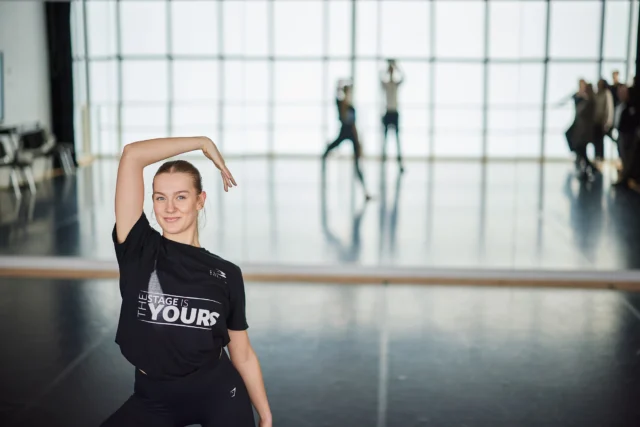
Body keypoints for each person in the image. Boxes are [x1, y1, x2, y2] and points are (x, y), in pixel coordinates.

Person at [101, 136, 272, 427]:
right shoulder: (138, 247)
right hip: (152, 397)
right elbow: (132, 155)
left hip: (217, 391)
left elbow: (241, 355)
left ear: (199, 200)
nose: (169, 208)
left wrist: (266, 416)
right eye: (160, 197)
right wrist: (202, 143)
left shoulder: (227, 273)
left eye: (180, 196)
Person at [322, 79, 372, 200]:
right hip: (344, 132)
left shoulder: (351, 106)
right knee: (329, 149)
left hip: (351, 133)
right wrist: (341, 83)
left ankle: (365, 191)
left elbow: (354, 124)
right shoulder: (340, 103)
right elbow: (336, 92)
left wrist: (358, 141)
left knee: (357, 164)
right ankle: (323, 175)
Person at [380, 59, 405, 172]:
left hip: (394, 113)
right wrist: (387, 68)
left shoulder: (395, 84)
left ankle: (400, 163)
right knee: (385, 139)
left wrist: (396, 66)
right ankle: (383, 162)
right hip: (388, 113)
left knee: (396, 139)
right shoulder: (386, 85)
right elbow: (380, 78)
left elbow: (403, 77)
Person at [572, 84, 597, 180]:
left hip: (585, 130)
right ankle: (589, 168)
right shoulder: (586, 101)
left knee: (582, 150)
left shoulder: (590, 102)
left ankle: (589, 168)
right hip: (582, 129)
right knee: (582, 151)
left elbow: (582, 113)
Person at [593, 78, 614, 164]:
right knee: (596, 140)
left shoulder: (606, 93)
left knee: (601, 141)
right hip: (596, 121)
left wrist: (607, 122)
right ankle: (597, 157)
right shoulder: (596, 94)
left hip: (603, 122)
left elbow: (609, 109)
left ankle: (601, 158)